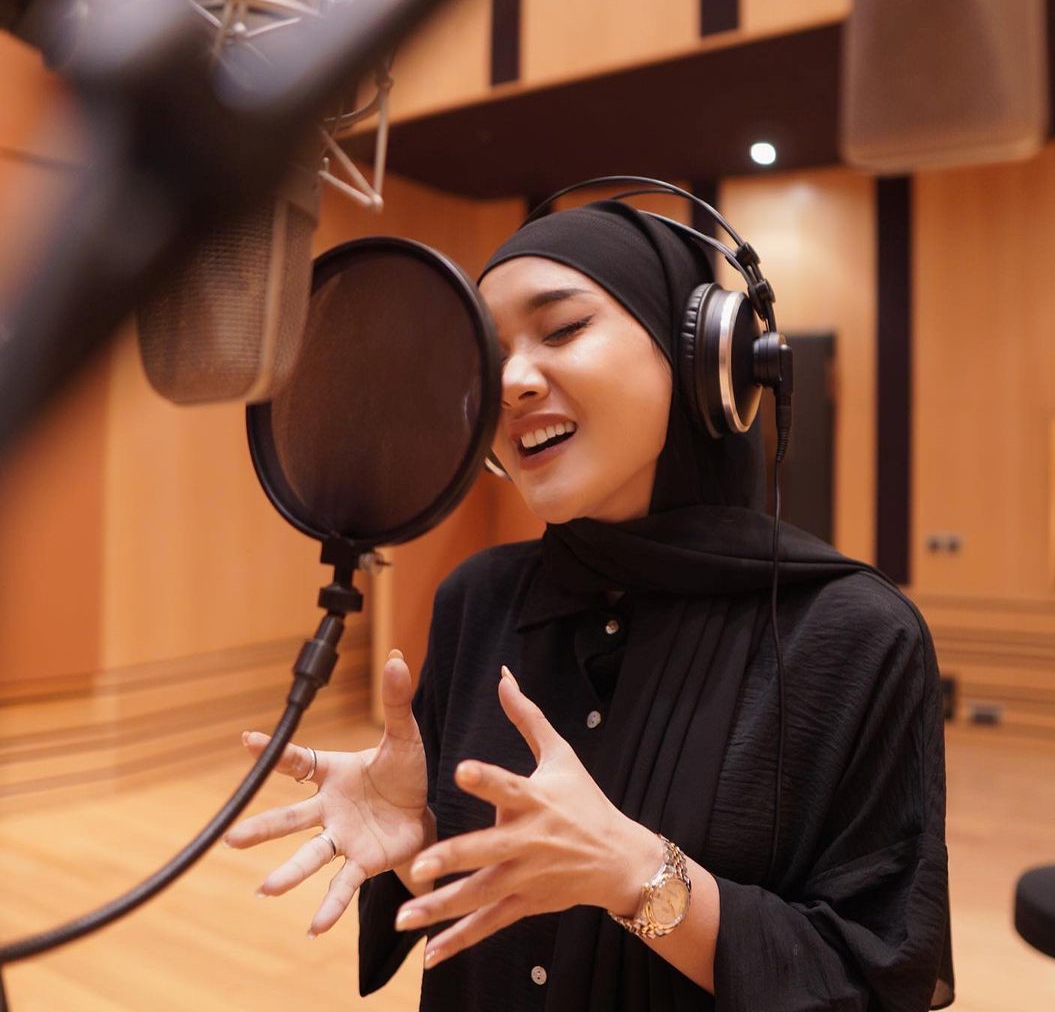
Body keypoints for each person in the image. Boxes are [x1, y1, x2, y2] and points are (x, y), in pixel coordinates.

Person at [225, 199, 955, 1011]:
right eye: (491, 357)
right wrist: (422, 841)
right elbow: (488, 912)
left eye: (563, 329)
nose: (512, 381)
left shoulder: (859, 637)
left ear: (702, 357)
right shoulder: (476, 600)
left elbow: (875, 979)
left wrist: (638, 876)